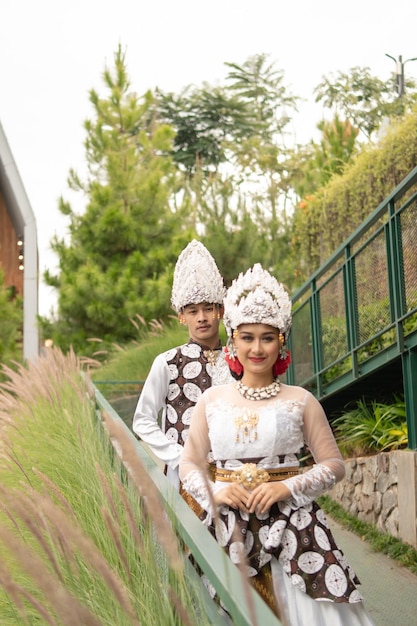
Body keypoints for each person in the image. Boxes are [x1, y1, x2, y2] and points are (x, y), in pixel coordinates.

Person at [179, 263, 375, 626]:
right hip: (227, 528)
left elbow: (333, 465)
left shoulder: (301, 400)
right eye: (247, 337)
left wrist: (285, 487)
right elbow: (188, 464)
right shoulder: (211, 401)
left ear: (281, 340)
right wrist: (216, 492)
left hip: (296, 526)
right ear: (233, 340)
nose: (257, 348)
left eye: (267, 337)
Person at [132, 240, 232, 490]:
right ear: (181, 316)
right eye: (192, 311)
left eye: (208, 309)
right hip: (185, 477)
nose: (201, 317)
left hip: (233, 473)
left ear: (220, 311)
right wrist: (179, 457)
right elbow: (142, 419)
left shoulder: (238, 360)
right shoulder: (167, 362)